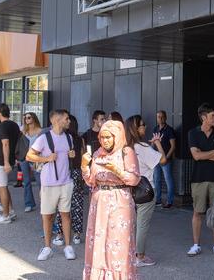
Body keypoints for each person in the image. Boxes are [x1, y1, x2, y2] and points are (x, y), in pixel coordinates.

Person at [81, 120, 141, 279]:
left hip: (120, 203)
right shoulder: (97, 154)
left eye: (108, 137)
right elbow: (90, 181)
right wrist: (84, 166)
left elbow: (135, 179)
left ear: (117, 136)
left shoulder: (127, 152)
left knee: (117, 245)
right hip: (98, 203)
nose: (105, 141)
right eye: (102, 137)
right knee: (99, 244)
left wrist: (117, 170)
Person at [25, 109, 77, 261]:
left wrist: (71, 155)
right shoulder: (44, 138)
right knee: (47, 216)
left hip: (65, 182)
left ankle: (68, 246)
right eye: (66, 119)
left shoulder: (69, 138)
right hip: (49, 183)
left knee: (66, 214)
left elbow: (69, 156)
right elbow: (29, 156)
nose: (69, 121)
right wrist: (47, 158)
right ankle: (47, 247)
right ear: (56, 120)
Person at [187, 103, 214, 256]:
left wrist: (204, 154)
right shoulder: (193, 133)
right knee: (197, 212)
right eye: (213, 116)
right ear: (204, 117)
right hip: (198, 179)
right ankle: (195, 245)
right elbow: (195, 156)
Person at [127, 115, 164, 268]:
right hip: (146, 190)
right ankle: (139, 256)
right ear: (136, 129)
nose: (145, 127)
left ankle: (129, 253)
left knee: (130, 223)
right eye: (142, 125)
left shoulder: (125, 148)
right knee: (142, 224)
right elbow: (162, 160)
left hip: (129, 189)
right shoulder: (142, 147)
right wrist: (157, 143)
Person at [52, 114, 87, 246]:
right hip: (78, 172)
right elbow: (84, 156)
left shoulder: (63, 138)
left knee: (62, 204)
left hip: (65, 172)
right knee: (77, 203)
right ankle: (77, 235)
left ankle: (60, 235)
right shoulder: (80, 139)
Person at [0, 103, 20, 224]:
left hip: (1, 161)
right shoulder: (14, 125)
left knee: (2, 187)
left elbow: (5, 144)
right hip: (9, 160)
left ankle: (5, 215)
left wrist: (6, 162)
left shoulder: (3, 126)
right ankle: (10, 211)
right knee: (4, 187)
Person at [149, 110, 176, 208]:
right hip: (156, 159)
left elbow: (173, 146)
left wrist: (166, 158)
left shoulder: (169, 130)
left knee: (168, 180)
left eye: (162, 117)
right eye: (158, 117)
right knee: (157, 180)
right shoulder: (155, 128)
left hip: (166, 160)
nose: (160, 118)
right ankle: (158, 200)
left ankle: (170, 201)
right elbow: (153, 143)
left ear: (165, 117)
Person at [18, 112, 42, 212]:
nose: (27, 120)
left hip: (36, 158)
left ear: (34, 118)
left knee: (40, 182)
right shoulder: (23, 131)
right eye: (25, 118)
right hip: (24, 158)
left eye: (29, 117)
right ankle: (29, 203)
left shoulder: (40, 131)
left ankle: (44, 203)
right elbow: (19, 144)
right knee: (26, 182)